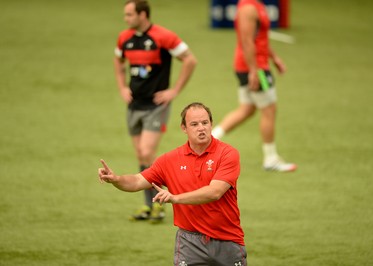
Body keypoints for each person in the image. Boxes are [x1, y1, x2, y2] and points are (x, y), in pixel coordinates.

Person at [99, 102, 247, 266]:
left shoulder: (227, 154)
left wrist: (175, 198)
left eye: (205, 123)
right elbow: (137, 181)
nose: (201, 128)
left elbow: (215, 192)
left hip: (227, 240)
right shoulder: (170, 160)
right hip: (189, 243)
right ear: (184, 128)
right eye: (194, 124)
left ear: (211, 124)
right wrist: (116, 179)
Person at [113, 0, 197, 222]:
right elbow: (118, 60)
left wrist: (174, 90)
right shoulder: (125, 38)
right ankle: (150, 206)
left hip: (156, 105)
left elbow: (190, 59)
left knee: (146, 151)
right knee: (141, 155)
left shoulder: (163, 37)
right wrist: (122, 86)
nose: (126, 19)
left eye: (129, 14)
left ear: (143, 14)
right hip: (134, 105)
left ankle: (160, 203)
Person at [211, 0, 296, 172]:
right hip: (256, 69)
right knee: (269, 110)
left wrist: (275, 57)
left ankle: (209, 140)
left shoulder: (257, 5)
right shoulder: (248, 8)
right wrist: (253, 70)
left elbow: (260, 38)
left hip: (255, 66)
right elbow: (246, 40)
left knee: (247, 109)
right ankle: (271, 159)